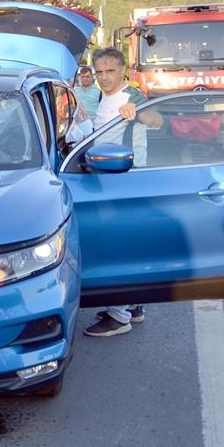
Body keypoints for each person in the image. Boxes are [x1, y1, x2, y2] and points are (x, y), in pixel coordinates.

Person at [83, 47, 163, 338]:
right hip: (107, 178)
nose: (104, 77)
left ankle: (118, 317)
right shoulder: (103, 97)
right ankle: (133, 305)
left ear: (122, 70)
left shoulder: (133, 96)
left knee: (112, 246)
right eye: (99, 72)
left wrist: (139, 114)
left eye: (110, 71)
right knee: (127, 243)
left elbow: (157, 120)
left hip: (124, 179)